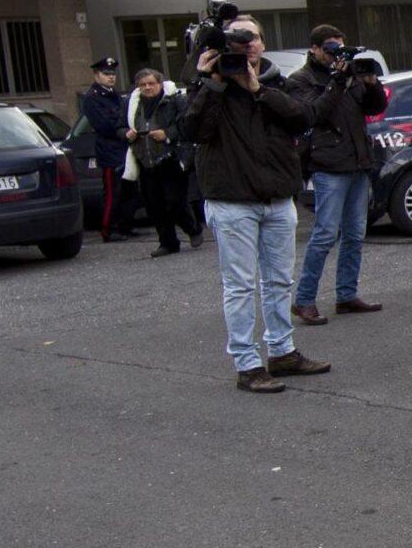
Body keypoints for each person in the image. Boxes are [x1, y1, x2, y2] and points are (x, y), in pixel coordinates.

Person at [185, 19, 331, 394]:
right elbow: (193, 131)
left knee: (280, 281)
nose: (246, 45)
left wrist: (256, 88)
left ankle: (282, 351)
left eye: (252, 38)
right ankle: (247, 364)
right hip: (233, 202)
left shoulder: (277, 83)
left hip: (278, 199)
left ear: (263, 44)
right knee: (240, 286)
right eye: (237, 38)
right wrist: (212, 85)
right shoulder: (208, 85)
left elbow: (303, 118)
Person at [292, 24, 388, 325]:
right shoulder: (300, 80)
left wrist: (370, 83)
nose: (337, 56)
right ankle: (304, 300)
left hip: (358, 162)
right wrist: (338, 80)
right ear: (315, 49)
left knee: (355, 234)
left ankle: (346, 295)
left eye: (340, 49)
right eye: (331, 49)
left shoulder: (352, 76)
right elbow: (314, 114)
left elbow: (376, 107)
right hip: (328, 165)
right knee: (324, 235)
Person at [125, 67, 202, 257]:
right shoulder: (133, 104)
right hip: (145, 160)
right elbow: (119, 126)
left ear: (160, 84)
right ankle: (167, 242)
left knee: (174, 201)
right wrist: (126, 134)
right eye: (143, 85)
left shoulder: (175, 100)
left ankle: (192, 228)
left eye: (151, 83)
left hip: (171, 158)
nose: (148, 88)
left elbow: (185, 125)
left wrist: (167, 134)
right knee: (154, 205)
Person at [76, 58, 133, 243]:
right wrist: (123, 131)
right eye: (106, 74)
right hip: (110, 150)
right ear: (96, 75)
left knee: (128, 191)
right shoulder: (92, 98)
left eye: (113, 74)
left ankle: (124, 225)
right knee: (112, 193)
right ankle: (108, 229)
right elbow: (104, 125)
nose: (111, 77)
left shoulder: (114, 95)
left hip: (123, 148)